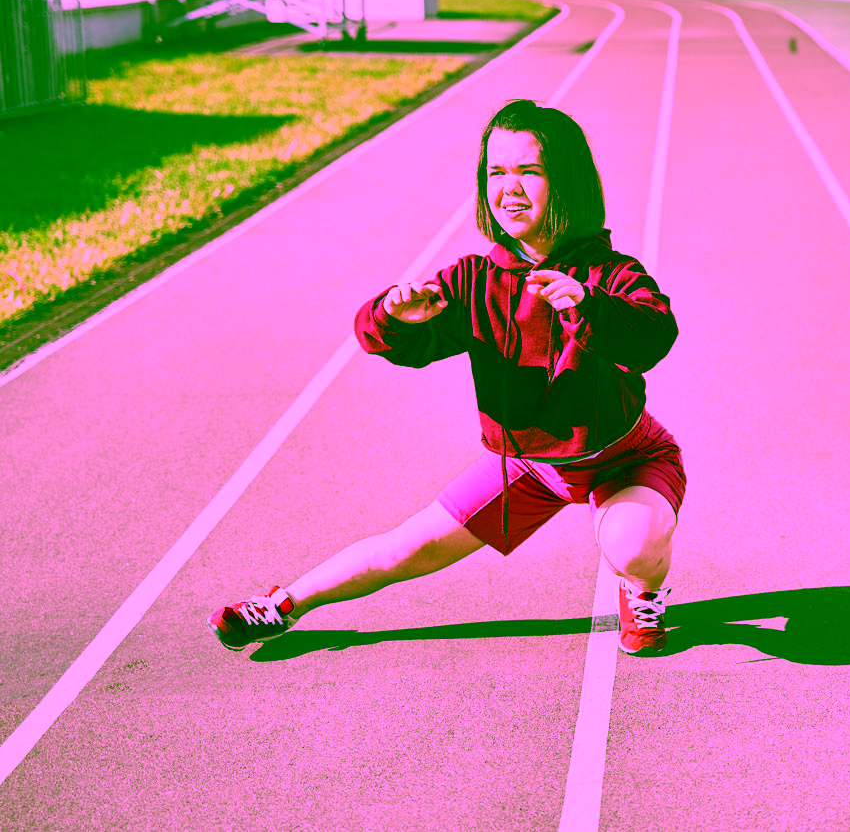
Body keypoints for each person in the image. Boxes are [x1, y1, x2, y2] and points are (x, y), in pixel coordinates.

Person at [208, 99, 685, 656]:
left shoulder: (611, 272)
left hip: (625, 455)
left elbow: (655, 333)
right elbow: (379, 337)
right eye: (496, 172)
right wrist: (393, 317)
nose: (509, 188)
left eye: (529, 171)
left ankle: (641, 589)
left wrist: (589, 305)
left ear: (568, 181)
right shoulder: (474, 281)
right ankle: (284, 604)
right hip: (530, 464)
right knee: (406, 550)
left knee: (629, 543)